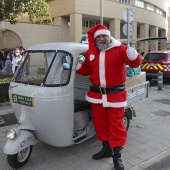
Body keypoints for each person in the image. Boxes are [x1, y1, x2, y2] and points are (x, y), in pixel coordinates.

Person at [76, 24, 141, 170]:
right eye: (98, 36)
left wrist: (134, 56)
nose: (101, 38)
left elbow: (134, 63)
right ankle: (106, 149)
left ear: (109, 36)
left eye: (104, 35)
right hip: (97, 96)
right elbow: (87, 70)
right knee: (100, 125)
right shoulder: (91, 53)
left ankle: (117, 157)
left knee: (116, 127)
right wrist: (78, 66)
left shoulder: (120, 49)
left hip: (115, 96)